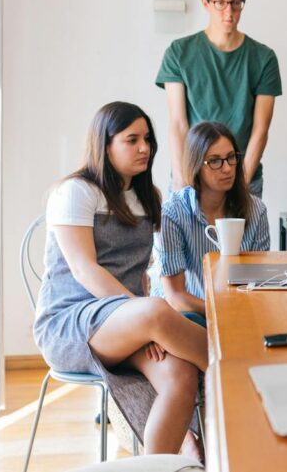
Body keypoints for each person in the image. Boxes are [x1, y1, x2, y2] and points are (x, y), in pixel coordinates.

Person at [34, 102, 205, 457]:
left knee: (181, 377)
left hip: (128, 322)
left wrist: (142, 321)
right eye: (132, 140)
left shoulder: (147, 197)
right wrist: (143, 317)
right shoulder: (76, 191)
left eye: (147, 139)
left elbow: (139, 272)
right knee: (158, 312)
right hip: (71, 323)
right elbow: (85, 269)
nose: (145, 148)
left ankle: (156, 466)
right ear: (105, 144)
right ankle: (242, 371)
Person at [157, 0, 281, 196]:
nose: (229, 11)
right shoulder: (179, 53)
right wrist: (182, 180)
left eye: (236, 2)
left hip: (243, 176)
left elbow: (260, 129)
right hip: (192, 176)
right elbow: (178, 123)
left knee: (244, 234)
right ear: (206, 3)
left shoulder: (264, 58)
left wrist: (241, 185)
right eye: (220, 2)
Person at [152, 121, 270, 324]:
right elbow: (176, 297)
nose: (227, 168)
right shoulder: (173, 212)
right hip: (186, 316)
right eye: (215, 161)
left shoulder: (256, 210)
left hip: (238, 313)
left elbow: (258, 283)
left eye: (231, 158)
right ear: (196, 165)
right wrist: (224, 311)